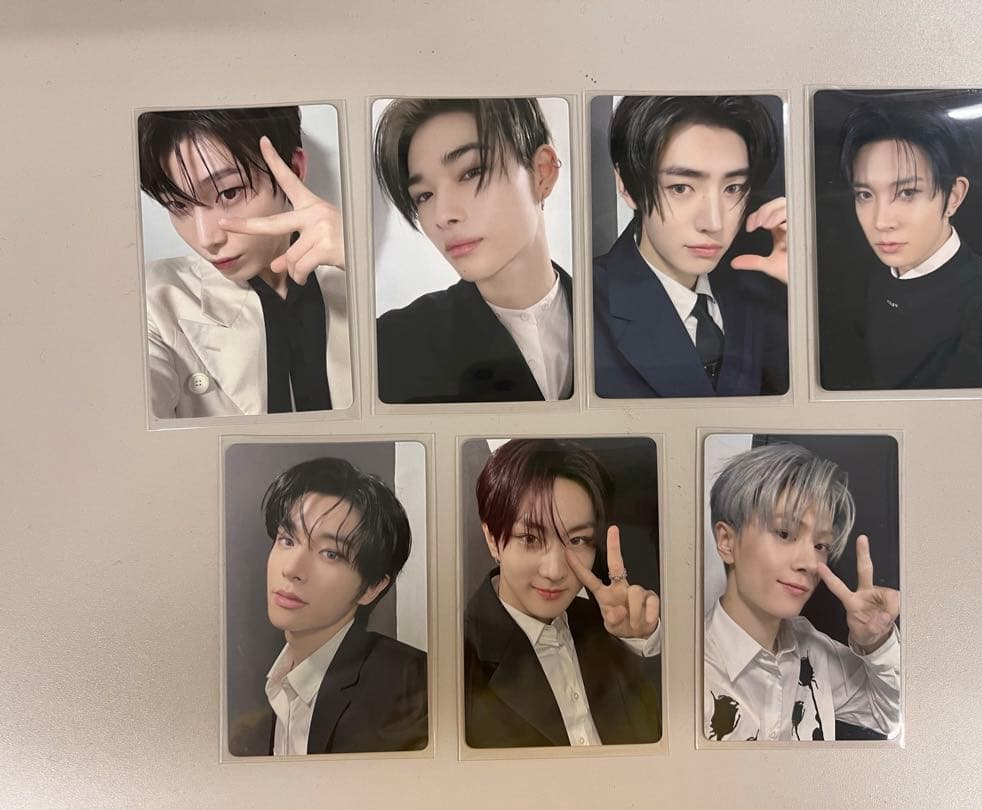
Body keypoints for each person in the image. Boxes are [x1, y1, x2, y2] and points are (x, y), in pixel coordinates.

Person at [138, 106, 350, 418]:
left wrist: (355, 254)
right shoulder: (153, 298)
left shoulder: (362, 279)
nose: (206, 238)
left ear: (293, 169)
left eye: (229, 193)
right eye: (178, 205)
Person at [463, 439, 661, 748]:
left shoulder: (609, 627)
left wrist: (638, 641)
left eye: (578, 540)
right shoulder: (457, 660)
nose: (555, 571)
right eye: (530, 538)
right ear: (492, 539)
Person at [373, 98, 572, 404]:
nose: (443, 216)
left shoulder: (614, 312)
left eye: (471, 172)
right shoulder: (391, 346)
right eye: (424, 195)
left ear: (542, 172)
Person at [593, 95, 789, 398]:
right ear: (627, 186)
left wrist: (803, 290)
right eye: (681, 188)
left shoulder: (760, 289)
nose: (713, 222)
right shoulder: (583, 305)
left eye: (733, 188)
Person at [229, 457, 428, 755]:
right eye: (287, 540)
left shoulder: (413, 687)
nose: (292, 569)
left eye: (330, 554)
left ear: (373, 586)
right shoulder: (257, 704)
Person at [703, 443, 901, 742]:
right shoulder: (690, 667)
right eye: (784, 533)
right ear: (727, 541)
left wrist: (876, 642)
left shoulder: (812, 649)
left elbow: (891, 715)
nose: (810, 563)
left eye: (821, 545)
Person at [835, 96, 982, 389]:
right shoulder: (861, 282)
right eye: (865, 195)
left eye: (907, 193)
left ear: (953, 196)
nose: (881, 221)